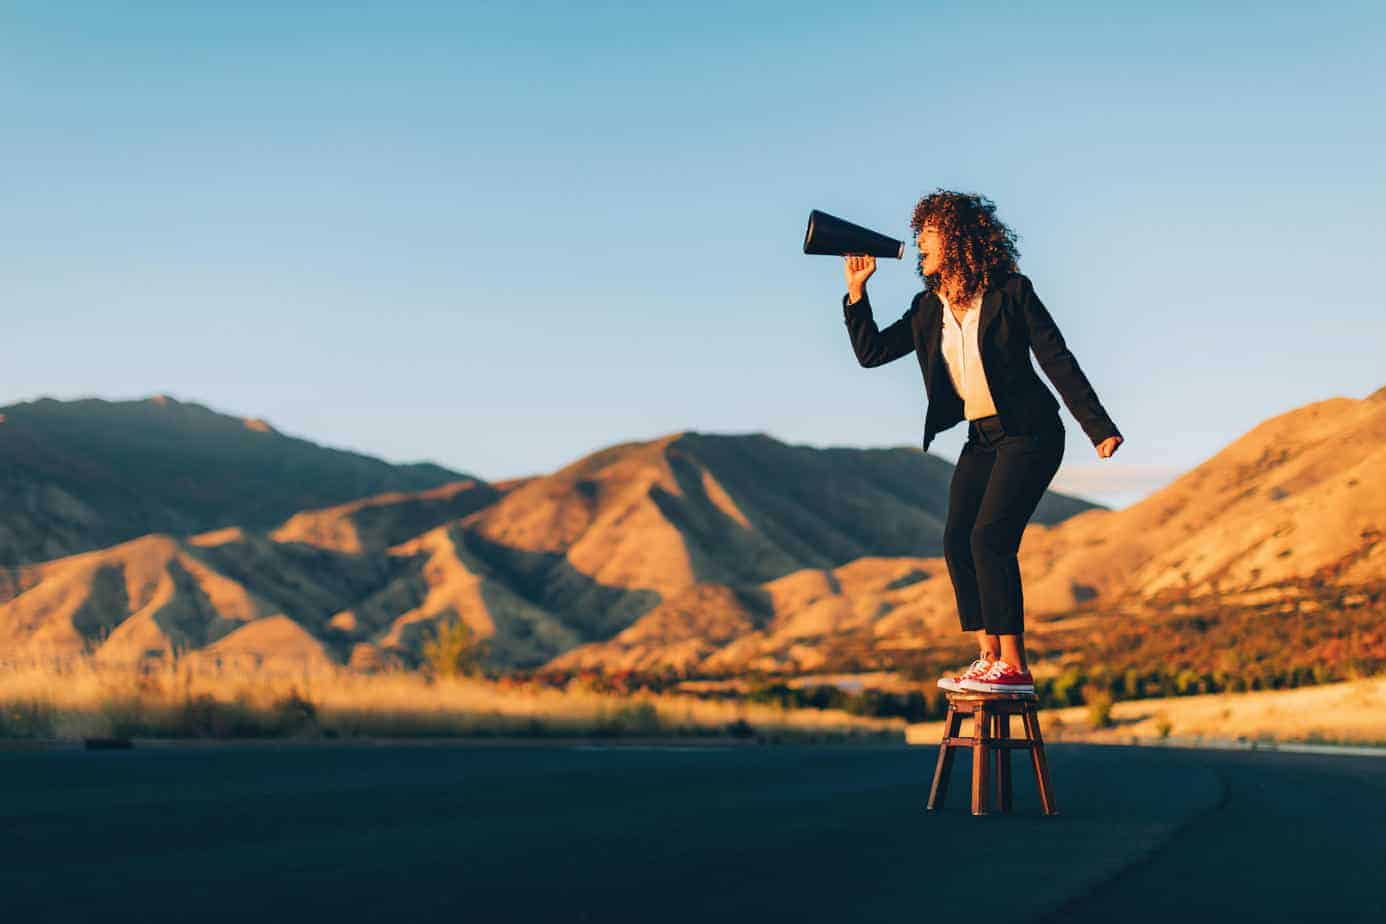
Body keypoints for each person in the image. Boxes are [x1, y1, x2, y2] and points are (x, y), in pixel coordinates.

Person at [840, 190, 1123, 695]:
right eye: (920, 231)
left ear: (959, 237)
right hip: (982, 438)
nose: (919, 242)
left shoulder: (1011, 293)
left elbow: (1057, 357)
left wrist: (1098, 427)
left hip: (1031, 432)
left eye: (928, 231)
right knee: (957, 541)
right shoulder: (928, 309)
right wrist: (857, 293)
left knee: (990, 538)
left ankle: (1014, 664)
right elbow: (873, 352)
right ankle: (987, 656)